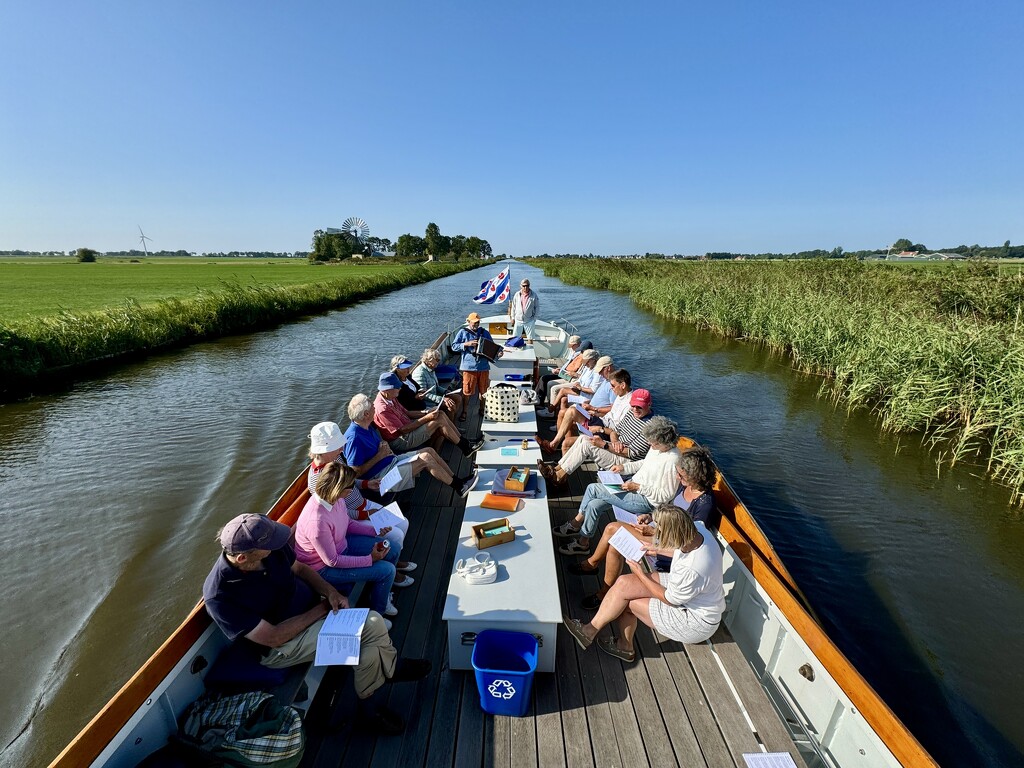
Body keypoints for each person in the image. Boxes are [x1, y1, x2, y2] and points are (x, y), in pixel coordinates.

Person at [203, 513, 430, 734]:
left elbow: (300, 569)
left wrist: (330, 593)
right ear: (243, 558)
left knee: (367, 648)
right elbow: (274, 637)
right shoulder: (220, 594)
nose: (276, 546)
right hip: (283, 646)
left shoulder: (271, 548)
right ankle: (391, 670)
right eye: (268, 546)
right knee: (371, 623)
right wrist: (322, 608)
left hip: (314, 610)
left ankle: (369, 710)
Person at [562, 504, 725, 661]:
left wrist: (640, 574)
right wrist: (657, 549)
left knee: (626, 602)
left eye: (660, 531)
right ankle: (588, 631)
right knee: (624, 583)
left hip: (694, 620)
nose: (657, 534)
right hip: (692, 594)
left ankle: (625, 647)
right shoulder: (697, 529)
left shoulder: (692, 568)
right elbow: (680, 548)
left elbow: (669, 599)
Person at [568, 443, 718, 609]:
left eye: (681, 476)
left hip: (668, 545)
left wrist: (654, 531)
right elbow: (668, 510)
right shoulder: (686, 487)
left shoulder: (705, 505)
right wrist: (650, 516)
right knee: (615, 545)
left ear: (696, 476)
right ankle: (604, 590)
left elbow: (689, 543)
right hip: (659, 532)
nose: (677, 478)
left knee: (612, 528)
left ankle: (592, 565)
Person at [294, 461, 407, 628]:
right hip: (323, 569)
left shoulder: (336, 500)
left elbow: (348, 523)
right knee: (387, 570)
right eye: (350, 486)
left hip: (342, 545)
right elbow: (332, 561)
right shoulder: (316, 521)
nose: (353, 489)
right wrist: (370, 559)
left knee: (393, 547)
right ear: (338, 489)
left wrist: (375, 531)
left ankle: (384, 588)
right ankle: (378, 613)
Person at [552, 416, 682, 555]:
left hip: (645, 500)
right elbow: (643, 464)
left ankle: (575, 523)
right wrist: (623, 467)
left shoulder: (672, 461)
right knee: (594, 505)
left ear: (663, 441)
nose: (650, 445)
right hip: (633, 488)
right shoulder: (658, 449)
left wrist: (638, 487)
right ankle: (583, 544)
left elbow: (666, 496)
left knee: (593, 488)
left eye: (653, 442)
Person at [307, 421, 414, 573]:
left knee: (403, 523)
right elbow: (337, 514)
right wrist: (366, 515)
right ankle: (393, 567)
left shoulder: (334, 459)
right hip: (355, 517)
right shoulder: (318, 481)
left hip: (363, 504)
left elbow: (348, 480)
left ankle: (393, 559)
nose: (342, 449)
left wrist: (366, 484)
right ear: (323, 450)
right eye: (337, 446)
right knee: (396, 534)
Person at [344, 392, 478, 497]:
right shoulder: (354, 437)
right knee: (425, 458)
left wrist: (383, 446)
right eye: (373, 408)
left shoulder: (366, 426)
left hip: (390, 462)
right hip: (380, 478)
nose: (375, 408)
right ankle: (459, 487)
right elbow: (354, 472)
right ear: (367, 414)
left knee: (429, 451)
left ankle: (459, 482)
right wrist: (379, 456)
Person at [537, 384, 653, 490]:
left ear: (649, 405)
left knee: (587, 445)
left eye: (640, 407)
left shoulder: (650, 427)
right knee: (583, 438)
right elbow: (614, 431)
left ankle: (557, 477)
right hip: (615, 448)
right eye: (633, 406)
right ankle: (557, 468)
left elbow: (632, 454)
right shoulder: (631, 413)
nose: (635, 409)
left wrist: (604, 445)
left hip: (626, 461)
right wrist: (615, 441)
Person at [374, 372, 482, 456]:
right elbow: (402, 430)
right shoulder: (382, 408)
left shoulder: (390, 397)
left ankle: (465, 444)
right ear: (386, 390)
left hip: (408, 427)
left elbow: (407, 413)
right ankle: (465, 447)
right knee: (438, 421)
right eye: (397, 387)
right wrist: (427, 417)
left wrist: (428, 412)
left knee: (440, 413)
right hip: (401, 440)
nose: (400, 388)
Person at [536, 356, 614, 454]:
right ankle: (560, 444)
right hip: (590, 410)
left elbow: (612, 409)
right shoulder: (606, 381)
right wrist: (590, 404)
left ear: (609, 368)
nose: (599, 374)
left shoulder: (613, 385)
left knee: (571, 412)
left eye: (601, 371)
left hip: (596, 417)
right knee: (562, 412)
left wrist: (594, 408)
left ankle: (554, 444)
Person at [451, 312, 501, 423]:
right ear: (468, 322)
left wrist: (498, 354)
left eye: (477, 322)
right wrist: (466, 344)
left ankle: (482, 409)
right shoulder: (462, 332)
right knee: (467, 391)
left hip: (483, 367)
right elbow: (454, 346)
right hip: (469, 368)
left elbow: (492, 348)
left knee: (483, 391)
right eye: (474, 323)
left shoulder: (484, 333)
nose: (476, 324)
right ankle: (464, 411)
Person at [539, 349, 600, 418]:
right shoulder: (587, 368)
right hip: (581, 390)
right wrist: (577, 384)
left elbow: (593, 390)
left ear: (593, 360)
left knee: (562, 390)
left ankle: (551, 410)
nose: (586, 364)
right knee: (563, 399)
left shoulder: (597, 372)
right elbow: (580, 379)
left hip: (586, 395)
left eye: (587, 362)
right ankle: (557, 417)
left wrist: (580, 388)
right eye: (585, 361)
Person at [412, 347, 463, 423]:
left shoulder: (431, 369)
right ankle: (451, 427)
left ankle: (452, 424)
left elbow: (436, 386)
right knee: (450, 405)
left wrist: (445, 391)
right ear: (429, 360)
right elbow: (424, 394)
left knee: (458, 397)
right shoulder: (420, 373)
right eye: (437, 360)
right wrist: (442, 399)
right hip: (428, 403)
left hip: (435, 397)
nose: (438, 362)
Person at [535, 334, 581, 401]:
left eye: (573, 346)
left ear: (577, 344)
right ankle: (537, 397)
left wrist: (561, 372)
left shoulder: (579, 357)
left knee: (544, 379)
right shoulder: (574, 353)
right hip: (564, 372)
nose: (571, 348)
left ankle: (539, 400)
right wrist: (561, 369)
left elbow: (573, 370)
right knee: (545, 378)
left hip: (567, 375)